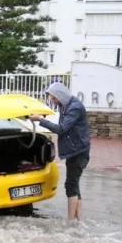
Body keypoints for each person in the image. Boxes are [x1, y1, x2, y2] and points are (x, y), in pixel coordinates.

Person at [29, 82, 91, 221]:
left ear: (61, 95)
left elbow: (61, 129)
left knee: (70, 184)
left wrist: (40, 119)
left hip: (79, 152)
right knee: (74, 184)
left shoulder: (74, 107)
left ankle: (69, 220)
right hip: (75, 151)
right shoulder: (66, 105)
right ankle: (78, 218)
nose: (53, 101)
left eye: (54, 98)